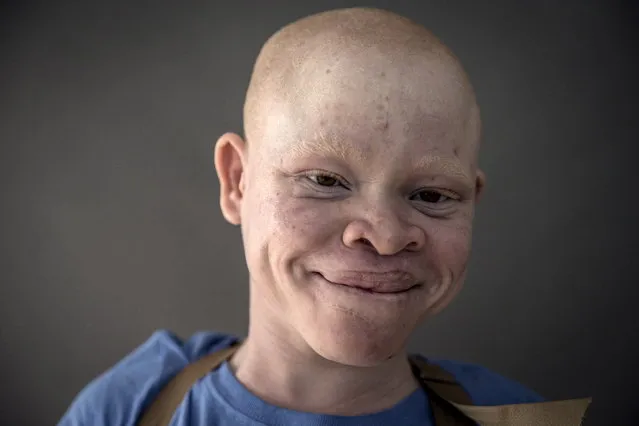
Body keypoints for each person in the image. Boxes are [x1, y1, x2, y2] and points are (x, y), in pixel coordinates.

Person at [58, 7, 586, 426]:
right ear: (237, 182)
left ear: (472, 200)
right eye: (325, 181)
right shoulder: (128, 409)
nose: (381, 236)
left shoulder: (517, 417)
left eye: (430, 194)